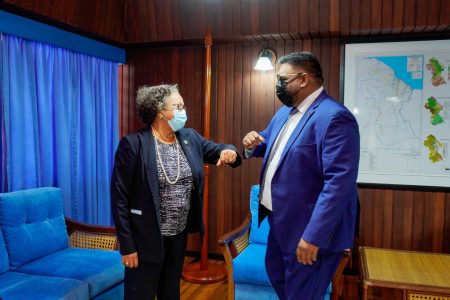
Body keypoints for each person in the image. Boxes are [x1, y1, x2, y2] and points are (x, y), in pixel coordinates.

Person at [242, 52, 360, 300]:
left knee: (302, 294)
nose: (278, 86)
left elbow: (339, 184)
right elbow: (268, 142)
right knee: (278, 277)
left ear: (303, 79)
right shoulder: (285, 112)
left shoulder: (335, 117)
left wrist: (313, 236)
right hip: (279, 222)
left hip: (308, 230)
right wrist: (252, 143)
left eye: (282, 79)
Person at [111, 84, 241, 300]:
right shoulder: (133, 145)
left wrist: (230, 151)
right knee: (140, 295)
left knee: (170, 293)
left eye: (183, 105)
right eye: (178, 106)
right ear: (160, 111)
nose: (183, 111)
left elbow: (218, 149)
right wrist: (127, 247)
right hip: (144, 239)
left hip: (177, 236)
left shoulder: (189, 137)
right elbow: (119, 199)